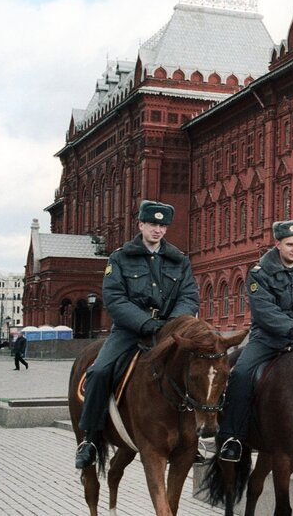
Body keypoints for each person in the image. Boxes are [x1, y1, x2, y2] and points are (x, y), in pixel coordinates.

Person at [74, 200, 199, 469]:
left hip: (168, 333)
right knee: (99, 372)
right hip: (129, 333)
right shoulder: (120, 258)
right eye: (152, 224)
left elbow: (189, 297)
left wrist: (173, 325)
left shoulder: (179, 260)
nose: (158, 230)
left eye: (163, 225)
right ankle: (91, 438)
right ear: (141, 224)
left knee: (198, 370)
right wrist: (145, 324)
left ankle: (192, 437)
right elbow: (114, 298)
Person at [217, 219, 293, 464]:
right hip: (268, 339)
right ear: (278, 244)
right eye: (289, 244)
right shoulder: (259, 273)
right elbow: (264, 311)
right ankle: (232, 437)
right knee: (241, 374)